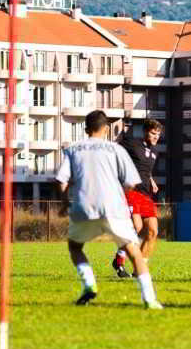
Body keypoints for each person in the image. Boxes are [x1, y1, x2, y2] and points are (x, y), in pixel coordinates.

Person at [56, 110, 163, 309]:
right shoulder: (116, 149)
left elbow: (61, 180)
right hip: (113, 206)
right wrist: (118, 194)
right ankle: (150, 299)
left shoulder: (74, 149)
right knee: (134, 251)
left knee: (75, 247)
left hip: (84, 206)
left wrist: (65, 204)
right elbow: (131, 182)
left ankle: (89, 284)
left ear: (85, 128)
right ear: (106, 129)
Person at [112, 119, 163, 278]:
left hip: (146, 194)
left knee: (153, 231)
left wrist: (152, 180)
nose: (155, 137)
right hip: (131, 192)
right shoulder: (132, 144)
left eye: (158, 134)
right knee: (137, 226)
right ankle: (119, 259)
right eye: (153, 133)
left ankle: (138, 270)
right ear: (145, 132)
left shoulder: (155, 152)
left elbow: (145, 170)